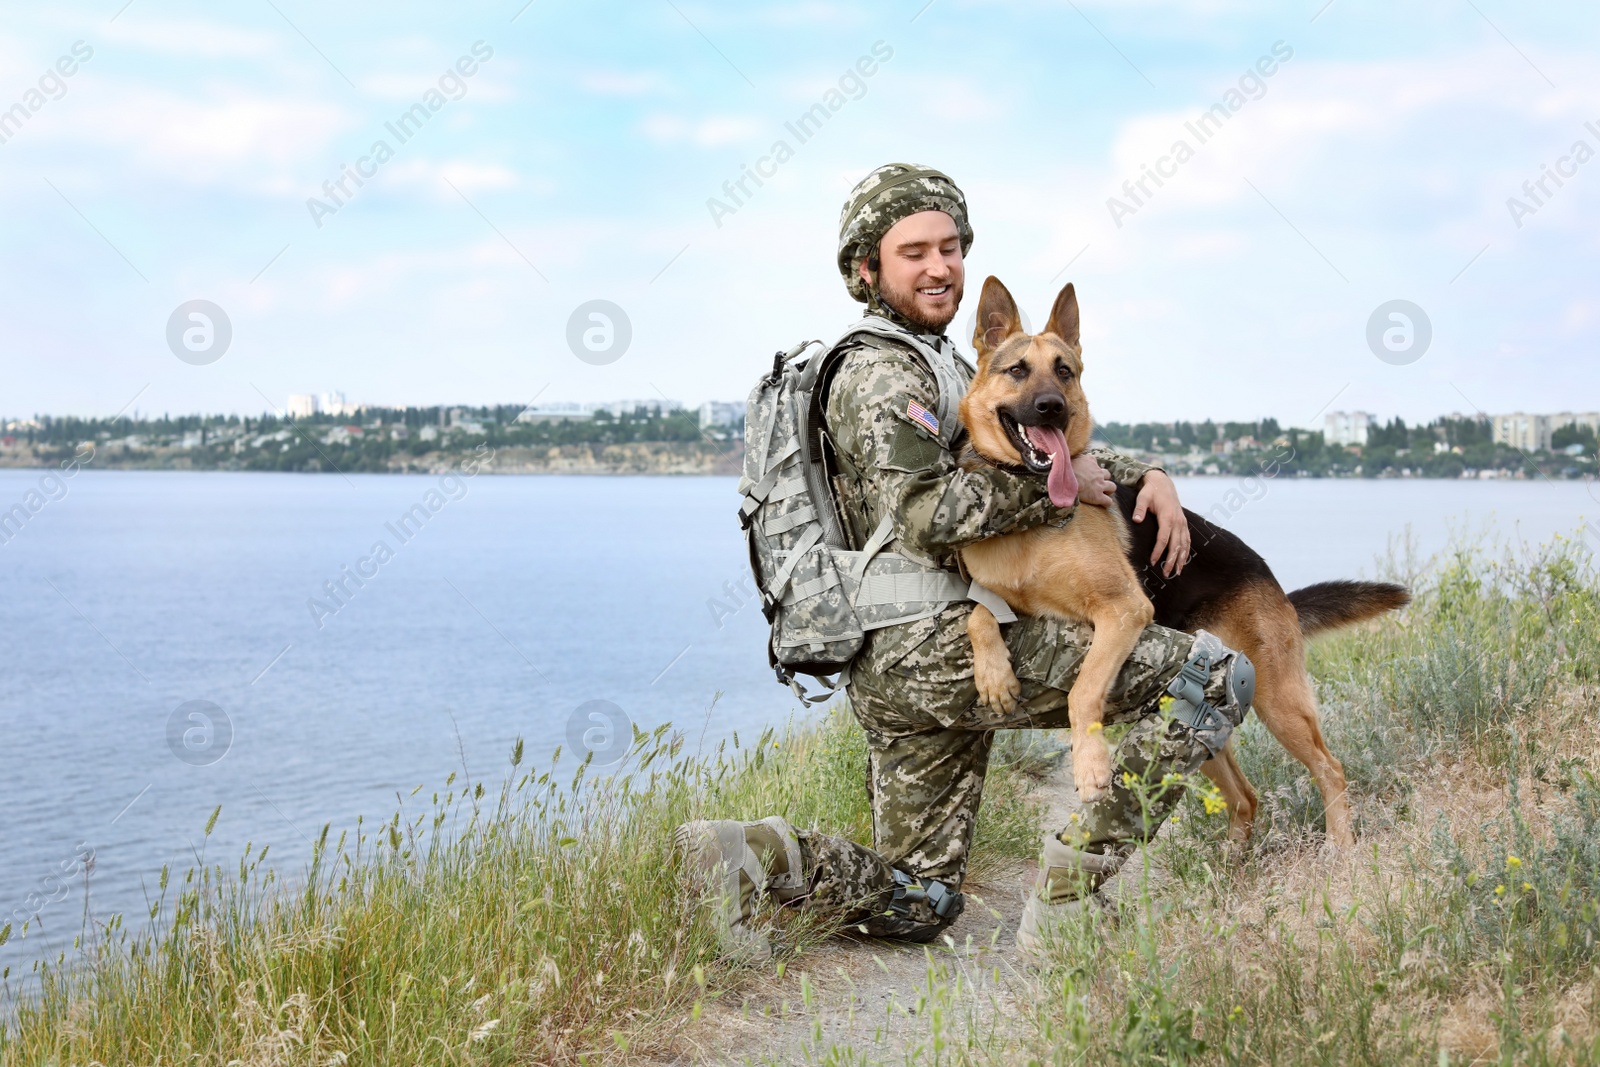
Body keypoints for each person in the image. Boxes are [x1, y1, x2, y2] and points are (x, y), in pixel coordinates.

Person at [678, 164, 1254, 958]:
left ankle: (758, 856)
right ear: (865, 268)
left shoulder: (944, 362)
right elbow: (929, 514)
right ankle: (1069, 898)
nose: (939, 265)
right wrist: (1065, 494)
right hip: (929, 642)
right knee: (1215, 678)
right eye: (913, 250)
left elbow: (1018, 446)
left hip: (920, 646)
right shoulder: (881, 372)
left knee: (924, 896)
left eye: (950, 246)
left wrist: (1136, 469)